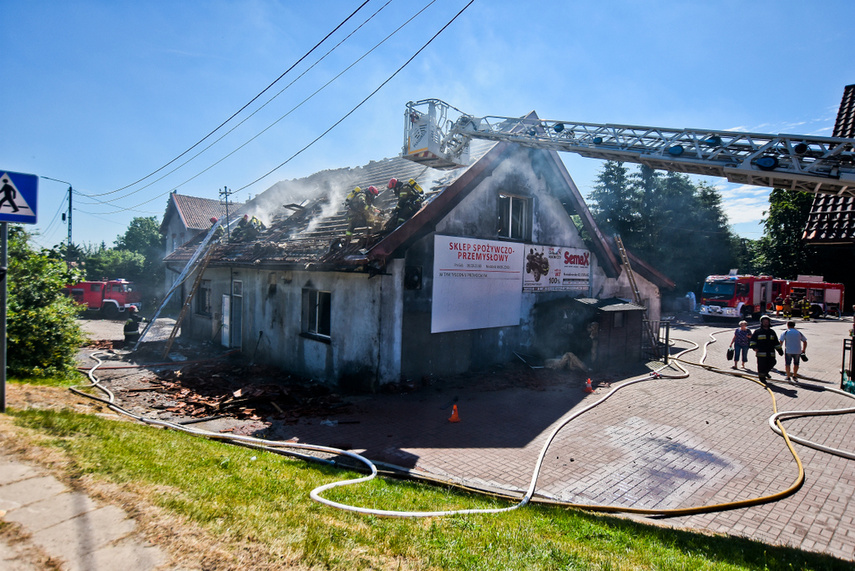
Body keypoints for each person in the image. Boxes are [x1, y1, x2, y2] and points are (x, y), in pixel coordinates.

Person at [749, 315, 782, 384]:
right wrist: (754, 347)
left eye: (767, 322)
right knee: (761, 366)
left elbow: (776, 342)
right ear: (761, 322)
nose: (766, 323)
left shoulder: (772, 332)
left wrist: (779, 350)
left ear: (769, 322)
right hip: (761, 352)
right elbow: (752, 341)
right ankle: (762, 378)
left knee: (772, 362)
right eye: (764, 322)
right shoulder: (757, 332)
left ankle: (765, 372)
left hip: (771, 352)